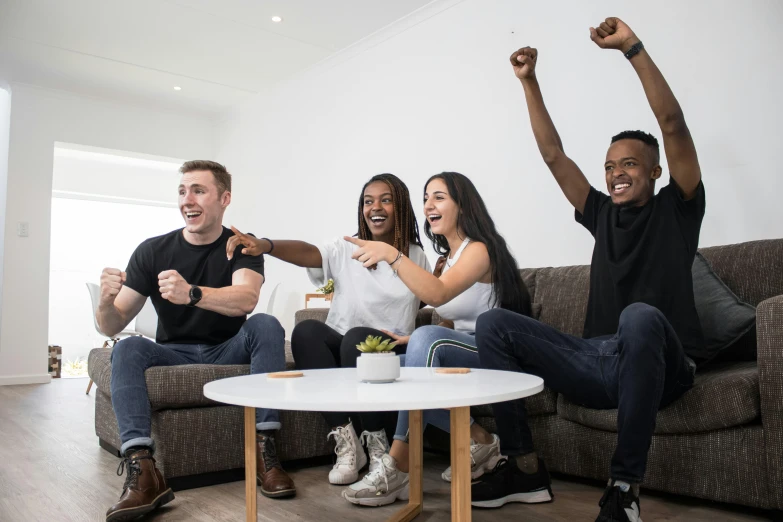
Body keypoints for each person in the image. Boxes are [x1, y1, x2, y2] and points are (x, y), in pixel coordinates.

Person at [472, 18, 705, 522]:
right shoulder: (601, 214)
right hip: (597, 364)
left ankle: (623, 489)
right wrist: (529, 82)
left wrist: (632, 48)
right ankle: (524, 464)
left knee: (640, 316)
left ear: (655, 171)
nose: (617, 174)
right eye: (610, 166)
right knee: (493, 324)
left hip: (661, 363)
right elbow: (554, 156)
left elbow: (673, 126)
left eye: (630, 165)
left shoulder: (679, 209)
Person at [98, 160, 294, 522]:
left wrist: (191, 293)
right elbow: (112, 325)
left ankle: (264, 452)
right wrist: (105, 302)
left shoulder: (241, 246)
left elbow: (246, 301)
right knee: (126, 347)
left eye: (199, 191)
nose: (188, 199)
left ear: (224, 199)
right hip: (173, 352)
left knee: (266, 324)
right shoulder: (152, 251)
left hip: (228, 347)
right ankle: (144, 471)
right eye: (182, 191)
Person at [339, 172, 531, 507]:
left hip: (496, 353)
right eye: (426, 197)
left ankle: (398, 464)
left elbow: (438, 295)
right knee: (385, 366)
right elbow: (448, 320)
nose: (429, 204)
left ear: (463, 204)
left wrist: (392, 254)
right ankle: (482, 439)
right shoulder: (449, 259)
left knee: (425, 340)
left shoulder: (479, 250)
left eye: (439, 197)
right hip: (464, 348)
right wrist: (411, 339)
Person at [226, 173, 431, 486]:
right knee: (307, 330)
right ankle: (348, 442)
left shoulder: (414, 256)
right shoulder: (345, 248)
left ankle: (377, 444)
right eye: (368, 201)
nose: (375, 207)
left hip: (387, 350)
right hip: (346, 344)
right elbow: (309, 253)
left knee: (356, 339)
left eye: (385, 200)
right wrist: (265, 245)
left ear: (400, 206)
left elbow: (427, 301)